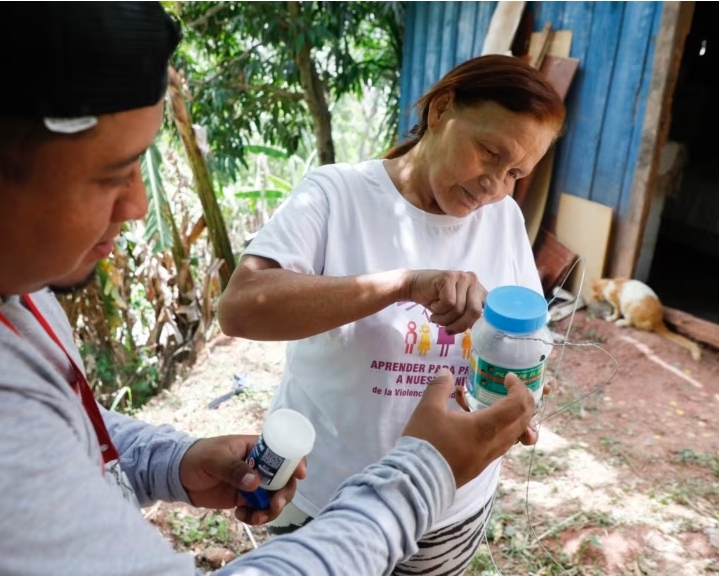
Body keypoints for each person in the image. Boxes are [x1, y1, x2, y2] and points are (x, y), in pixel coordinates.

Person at [0, 4, 540, 575]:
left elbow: (56, 417)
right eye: (112, 174)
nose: (137, 205)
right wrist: (424, 471)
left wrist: (158, 460)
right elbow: (245, 307)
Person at [218, 54, 566, 575]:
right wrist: (403, 284)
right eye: (489, 152)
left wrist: (519, 396)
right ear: (441, 110)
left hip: (448, 506)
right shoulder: (337, 195)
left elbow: (513, 341)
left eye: (516, 172)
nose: (494, 185)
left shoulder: (504, 217)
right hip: (327, 506)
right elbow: (240, 309)